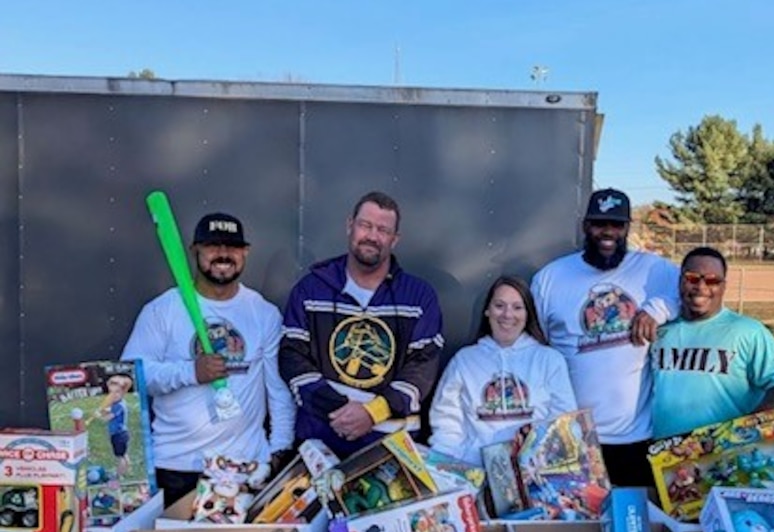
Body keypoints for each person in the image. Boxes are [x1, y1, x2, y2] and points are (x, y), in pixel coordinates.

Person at [122, 212, 296, 507]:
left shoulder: (263, 313)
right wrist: (190, 372)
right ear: (195, 251)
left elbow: (278, 390)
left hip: (244, 466)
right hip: (176, 466)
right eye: (213, 246)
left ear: (245, 253)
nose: (223, 254)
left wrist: (279, 449)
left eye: (232, 247)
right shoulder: (162, 310)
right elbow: (129, 378)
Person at [530, 188, 681, 486]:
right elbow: (539, 347)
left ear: (627, 228)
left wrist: (657, 309)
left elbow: (689, 293)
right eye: (600, 224)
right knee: (579, 529)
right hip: (573, 437)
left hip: (636, 436)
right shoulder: (551, 278)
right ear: (586, 226)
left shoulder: (654, 270)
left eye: (616, 224)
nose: (608, 232)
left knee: (634, 525)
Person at [279, 190, 444, 459]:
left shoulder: (419, 297)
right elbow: (292, 359)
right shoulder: (310, 290)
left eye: (383, 229)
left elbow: (421, 370)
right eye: (365, 225)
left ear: (395, 239)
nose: (372, 236)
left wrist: (372, 413)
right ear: (349, 226)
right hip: (321, 444)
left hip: (391, 450)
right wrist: (339, 410)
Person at [650, 246, 774, 439]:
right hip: (664, 454)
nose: (701, 286)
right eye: (692, 278)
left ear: (724, 286)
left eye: (712, 280)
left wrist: (749, 424)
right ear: (680, 281)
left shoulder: (747, 331)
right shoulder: (658, 329)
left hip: (723, 453)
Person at [427, 275, 577, 465]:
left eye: (517, 307)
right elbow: (446, 421)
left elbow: (564, 418)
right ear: (487, 311)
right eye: (499, 305)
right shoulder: (464, 361)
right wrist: (449, 465)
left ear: (528, 313)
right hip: (478, 473)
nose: (507, 315)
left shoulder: (549, 360)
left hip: (535, 475)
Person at [97, 371, 134, 476]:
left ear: (123, 392)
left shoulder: (119, 405)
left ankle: (118, 475)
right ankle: (128, 470)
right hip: (122, 433)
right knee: (124, 453)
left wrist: (99, 416)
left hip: (118, 434)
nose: (113, 395)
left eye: (116, 392)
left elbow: (108, 418)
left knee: (120, 456)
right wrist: (104, 410)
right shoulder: (119, 403)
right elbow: (110, 410)